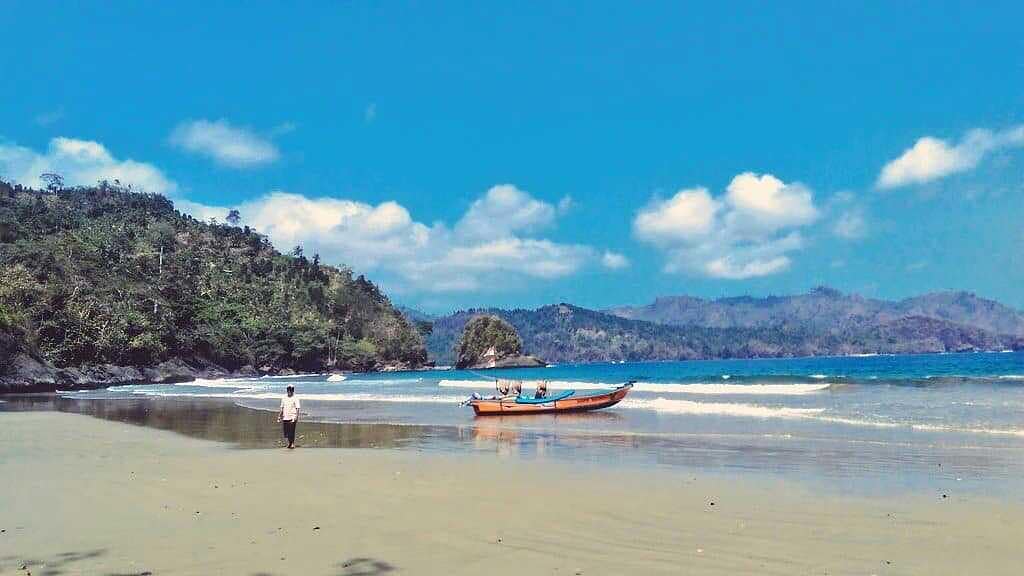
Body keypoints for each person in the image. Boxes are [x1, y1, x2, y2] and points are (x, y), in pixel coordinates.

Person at [278, 384, 300, 449]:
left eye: (291, 390)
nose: (289, 391)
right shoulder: (284, 398)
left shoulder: (296, 398)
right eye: (288, 389)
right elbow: (282, 408)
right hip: (285, 416)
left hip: (292, 416)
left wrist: (296, 416)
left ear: (293, 390)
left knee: (292, 431)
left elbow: (297, 408)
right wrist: (279, 416)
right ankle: (289, 443)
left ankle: (292, 443)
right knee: (286, 432)